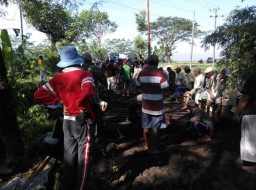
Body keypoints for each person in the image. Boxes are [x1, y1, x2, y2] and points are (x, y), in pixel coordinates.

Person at [34, 46, 96, 190]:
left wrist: (59, 101)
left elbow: (38, 94)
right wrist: (80, 107)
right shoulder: (85, 74)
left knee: (69, 159)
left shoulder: (58, 78)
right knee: (84, 161)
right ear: (77, 60)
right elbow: (88, 92)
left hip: (67, 121)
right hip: (82, 121)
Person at [136, 54, 169, 154]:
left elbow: (137, 85)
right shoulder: (160, 74)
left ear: (147, 62)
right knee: (155, 128)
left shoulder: (141, 73)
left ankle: (146, 144)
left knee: (145, 127)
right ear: (157, 62)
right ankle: (152, 148)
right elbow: (166, 89)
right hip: (157, 107)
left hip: (145, 106)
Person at [233, 72, 256, 173]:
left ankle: (251, 166)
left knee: (250, 139)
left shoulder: (253, 77)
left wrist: (237, 113)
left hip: (253, 113)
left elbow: (246, 97)